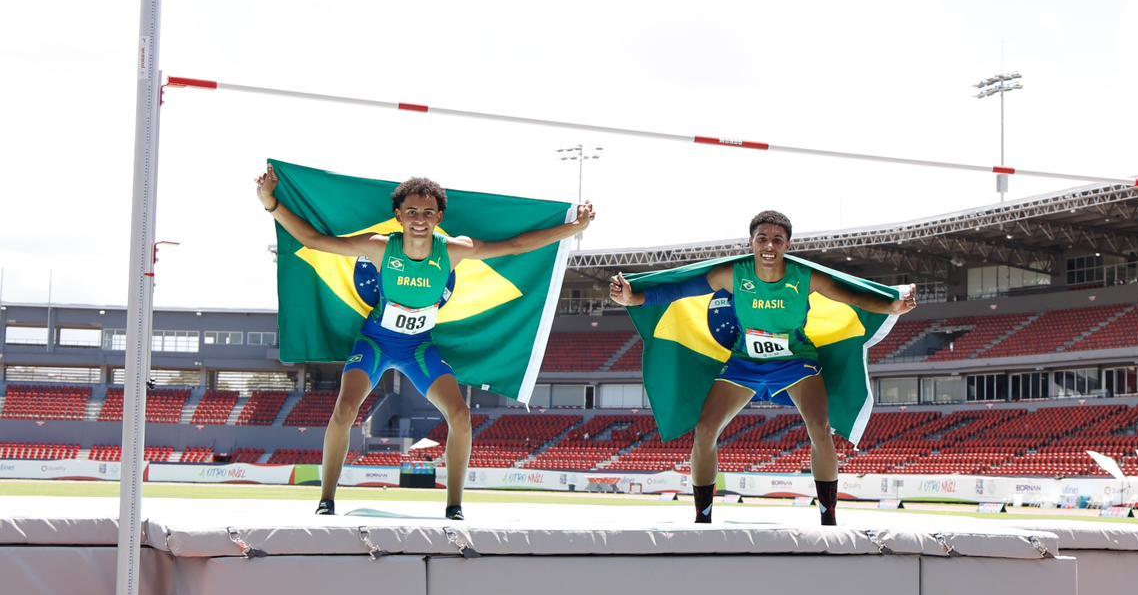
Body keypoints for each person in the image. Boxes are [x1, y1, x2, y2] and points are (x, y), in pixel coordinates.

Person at [255, 165, 594, 518]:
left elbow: (515, 246)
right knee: (345, 409)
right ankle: (327, 499)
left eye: (428, 213)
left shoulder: (452, 251)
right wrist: (270, 203)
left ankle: (454, 506)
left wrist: (574, 228)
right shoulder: (380, 247)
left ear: (439, 217)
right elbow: (314, 240)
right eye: (412, 212)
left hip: (418, 348)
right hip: (376, 343)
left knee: (460, 415)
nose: (420, 219)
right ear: (399, 216)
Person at [610, 210, 916, 525]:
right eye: (763, 238)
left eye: (777, 240)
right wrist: (634, 299)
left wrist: (892, 306)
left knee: (820, 429)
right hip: (745, 362)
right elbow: (678, 290)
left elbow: (854, 298)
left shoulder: (805, 278)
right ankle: (702, 518)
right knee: (704, 430)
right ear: (752, 242)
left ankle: (828, 518)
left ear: (788, 244)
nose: (769, 245)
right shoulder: (734, 275)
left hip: (796, 362)